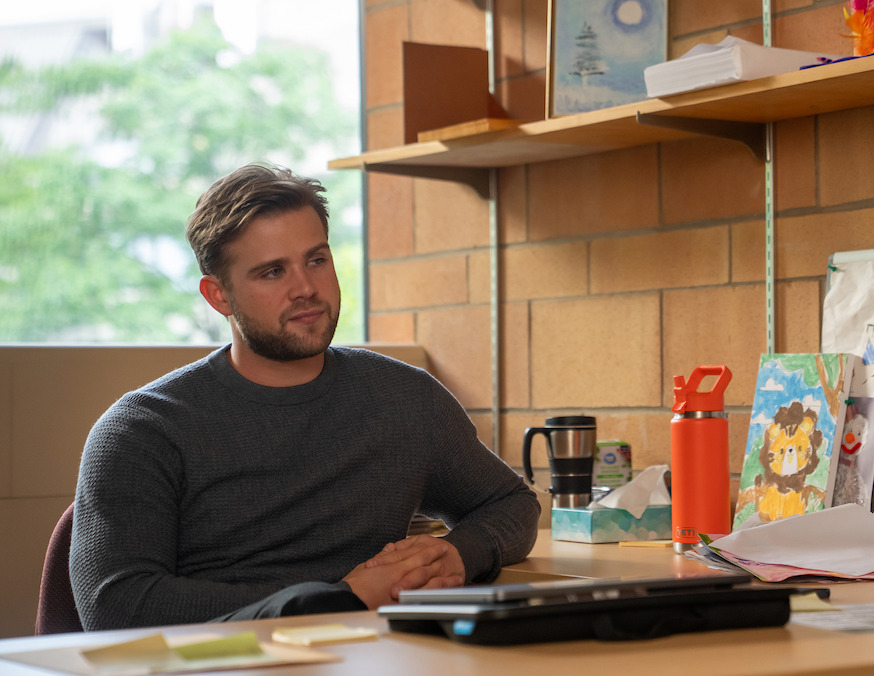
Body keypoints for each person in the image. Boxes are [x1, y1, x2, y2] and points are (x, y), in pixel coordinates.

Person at [70, 163, 540, 631]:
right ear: (219, 296)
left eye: (316, 259)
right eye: (273, 272)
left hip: (374, 661)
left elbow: (512, 505)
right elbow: (117, 605)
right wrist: (341, 599)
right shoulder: (142, 430)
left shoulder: (404, 400)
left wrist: (458, 555)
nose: (307, 289)